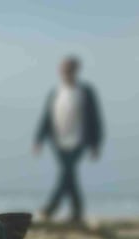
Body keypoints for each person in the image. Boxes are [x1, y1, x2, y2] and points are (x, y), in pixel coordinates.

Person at [33, 56, 104, 224]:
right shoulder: (56, 91)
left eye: (69, 69)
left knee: (67, 174)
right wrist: (39, 139)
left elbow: (95, 118)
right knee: (69, 176)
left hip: (79, 141)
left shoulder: (85, 91)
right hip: (58, 142)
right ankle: (77, 213)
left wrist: (96, 144)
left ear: (76, 70)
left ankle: (50, 209)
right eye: (63, 69)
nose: (66, 72)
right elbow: (46, 117)